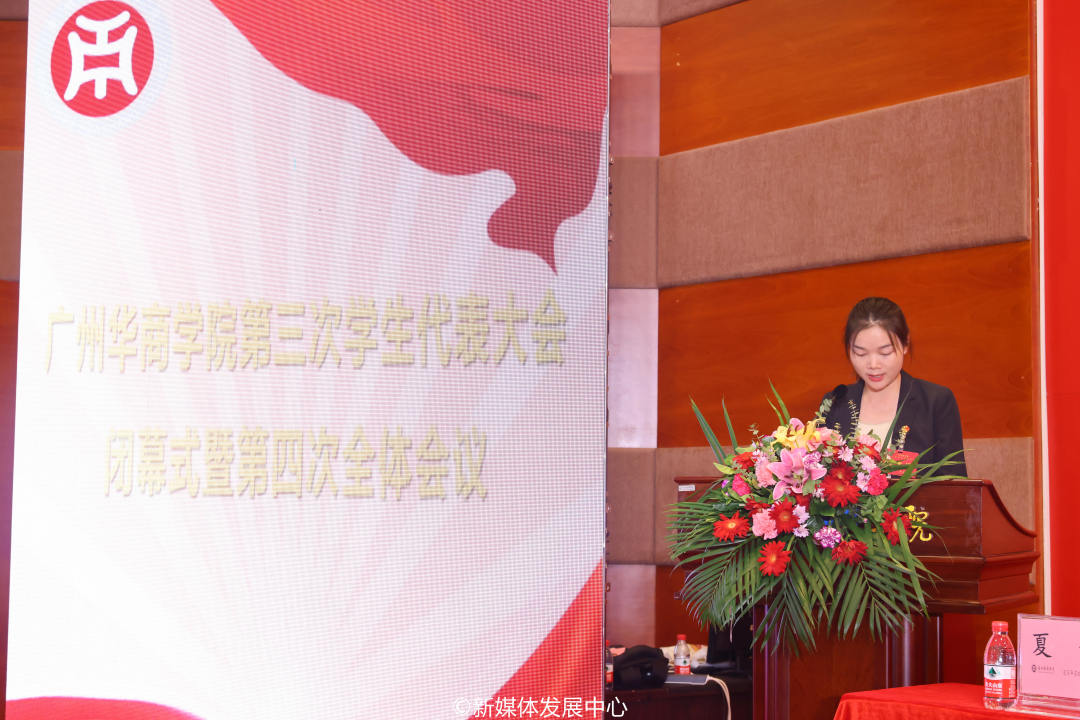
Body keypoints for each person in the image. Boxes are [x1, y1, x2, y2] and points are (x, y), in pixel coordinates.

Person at [820, 297, 967, 476]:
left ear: (905, 344)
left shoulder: (935, 402)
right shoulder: (835, 402)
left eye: (885, 352)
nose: (873, 364)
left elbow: (955, 484)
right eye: (860, 353)